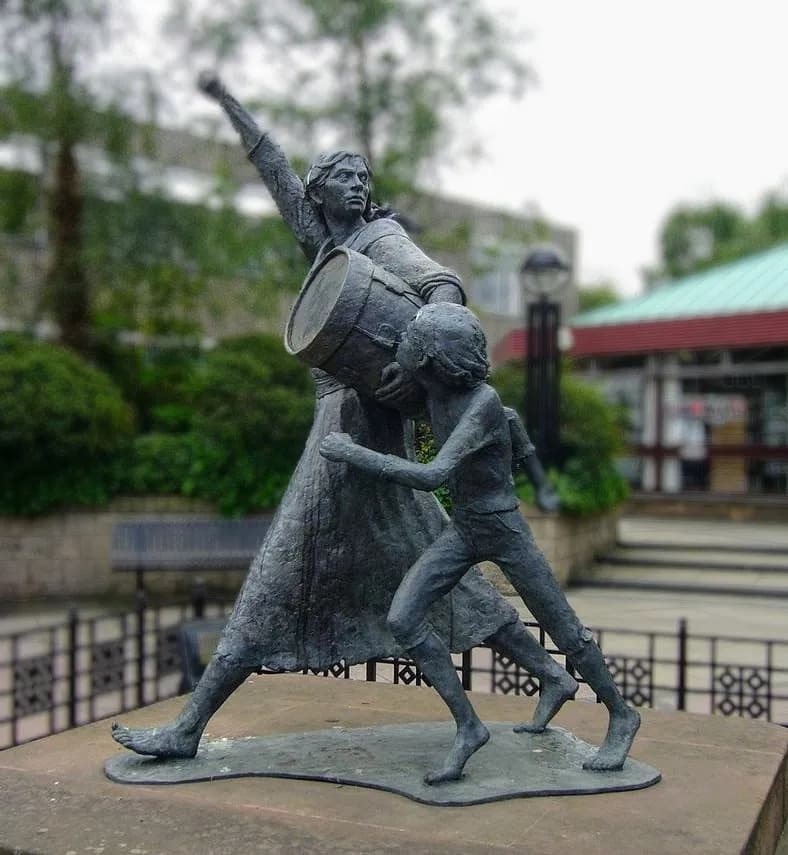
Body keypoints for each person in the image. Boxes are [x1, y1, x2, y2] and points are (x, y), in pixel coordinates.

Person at [112, 75, 575, 761]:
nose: (357, 186)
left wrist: (417, 349)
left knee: (273, 577)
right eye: (343, 178)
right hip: (344, 430)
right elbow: (273, 167)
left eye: (364, 177)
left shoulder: (380, 240)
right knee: (447, 577)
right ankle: (551, 674)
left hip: (353, 435)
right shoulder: (326, 245)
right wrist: (228, 101)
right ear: (319, 191)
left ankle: (187, 728)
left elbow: (441, 285)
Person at [320, 304, 640, 783]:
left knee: (565, 628)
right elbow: (512, 420)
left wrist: (353, 453)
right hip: (466, 528)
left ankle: (620, 713)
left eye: (411, 337)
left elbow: (432, 475)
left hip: (503, 528)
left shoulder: (479, 402)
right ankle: (469, 727)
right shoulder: (435, 390)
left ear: (429, 357)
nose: (401, 338)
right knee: (403, 617)